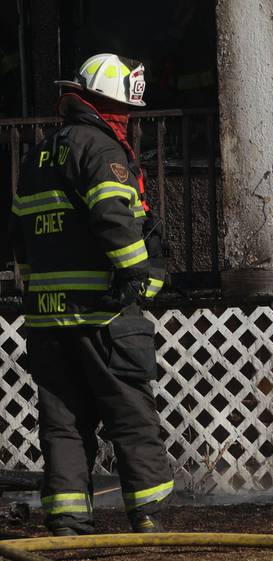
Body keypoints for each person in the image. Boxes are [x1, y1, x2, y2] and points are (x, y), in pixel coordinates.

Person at [10, 53, 171, 536]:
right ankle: (147, 516)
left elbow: (21, 235)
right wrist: (140, 275)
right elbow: (113, 217)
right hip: (103, 314)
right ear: (106, 103)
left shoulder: (37, 155)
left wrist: (35, 287)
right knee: (130, 417)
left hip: (46, 318)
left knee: (62, 425)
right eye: (125, 110)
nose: (128, 121)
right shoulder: (100, 148)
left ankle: (67, 520)